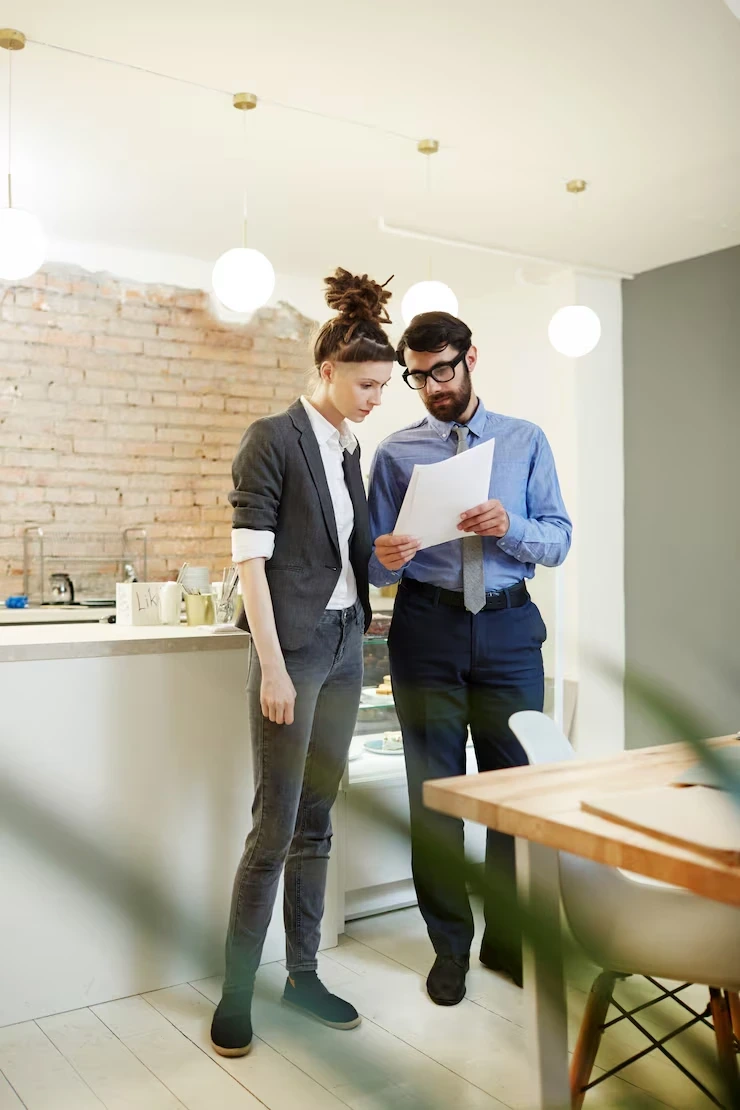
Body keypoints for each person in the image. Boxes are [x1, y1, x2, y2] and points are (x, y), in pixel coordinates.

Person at [210, 269, 395, 1057]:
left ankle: (305, 976)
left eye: (385, 386)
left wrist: (382, 555)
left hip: (350, 643)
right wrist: (275, 666)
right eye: (366, 384)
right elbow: (251, 560)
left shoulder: (352, 446)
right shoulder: (273, 438)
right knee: (275, 826)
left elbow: (344, 559)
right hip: (296, 654)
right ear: (327, 369)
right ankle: (238, 993)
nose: (376, 398)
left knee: (318, 822)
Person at [368, 311, 571, 1006]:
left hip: (510, 631)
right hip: (426, 631)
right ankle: (448, 946)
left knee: (514, 793)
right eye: (417, 377)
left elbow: (559, 539)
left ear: (471, 357)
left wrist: (509, 526)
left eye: (442, 370)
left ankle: (509, 942)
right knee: (436, 793)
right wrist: (383, 555)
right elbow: (373, 559)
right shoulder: (395, 453)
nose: (432, 387)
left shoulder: (525, 441)